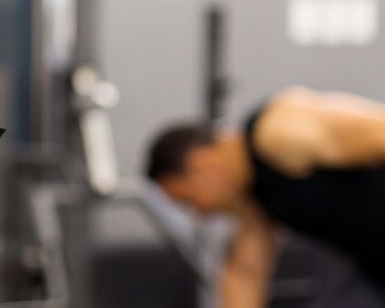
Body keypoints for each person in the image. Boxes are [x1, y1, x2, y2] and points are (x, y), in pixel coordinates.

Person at [146, 87, 385, 307]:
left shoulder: (276, 132)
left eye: (190, 200)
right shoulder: (256, 199)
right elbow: (246, 274)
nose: (201, 213)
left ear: (202, 164)